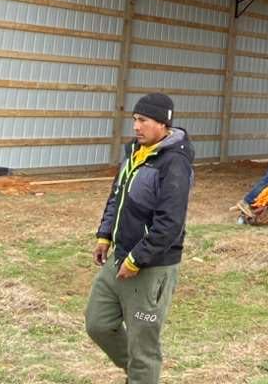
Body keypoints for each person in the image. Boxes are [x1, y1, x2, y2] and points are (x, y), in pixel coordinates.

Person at [85, 93, 194, 384]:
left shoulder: (175, 163)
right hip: (119, 257)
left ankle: (142, 374)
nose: (135, 126)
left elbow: (170, 224)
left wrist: (136, 260)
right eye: (134, 119)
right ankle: (139, 372)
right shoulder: (134, 153)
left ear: (163, 123)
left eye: (142, 120)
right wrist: (104, 236)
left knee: (143, 342)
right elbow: (116, 196)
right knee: (98, 323)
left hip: (150, 268)